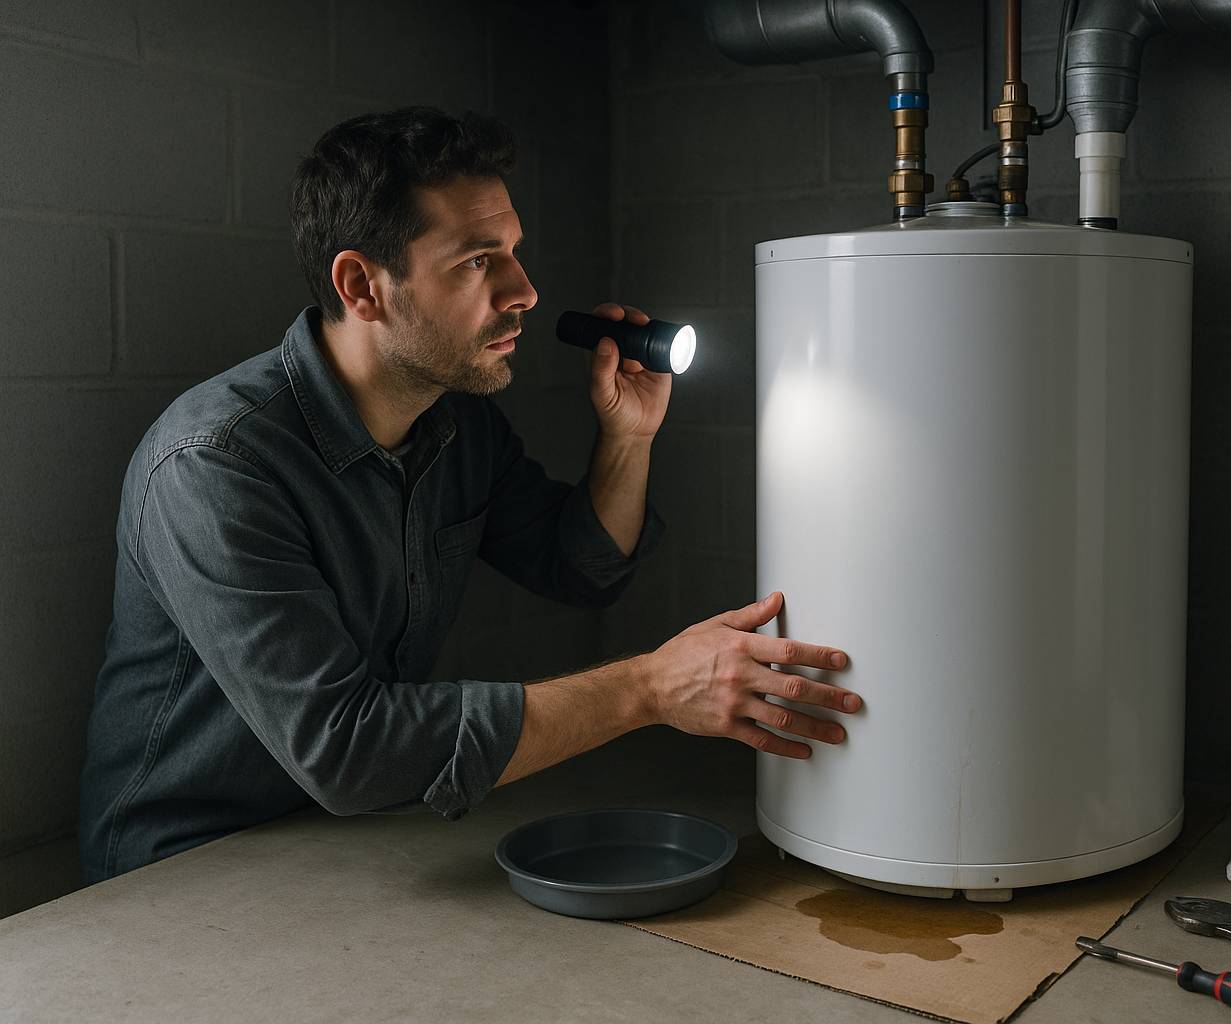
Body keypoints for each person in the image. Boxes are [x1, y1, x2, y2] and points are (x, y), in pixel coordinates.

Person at [77, 107, 862, 883]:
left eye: (514, 251)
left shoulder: (457, 425)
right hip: (177, 870)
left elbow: (581, 569)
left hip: (338, 841)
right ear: (363, 286)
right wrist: (652, 687)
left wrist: (629, 437)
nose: (524, 290)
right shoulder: (214, 465)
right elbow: (348, 751)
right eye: (478, 261)